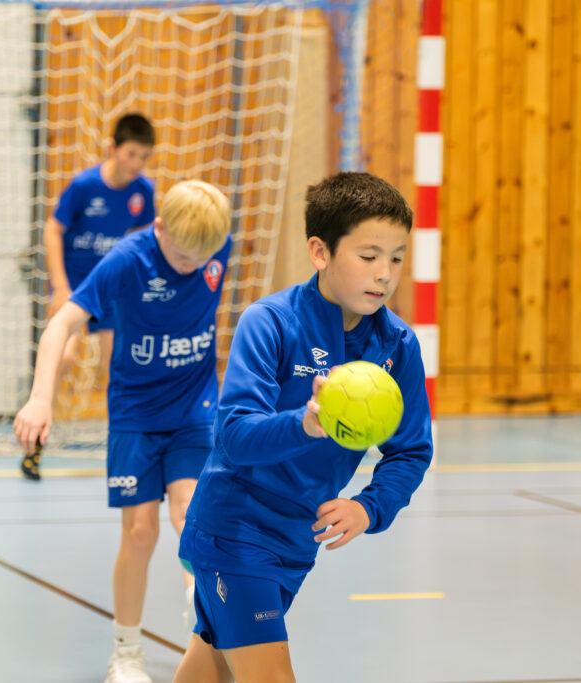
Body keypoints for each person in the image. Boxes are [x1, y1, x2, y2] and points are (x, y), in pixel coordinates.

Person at [172, 172, 433, 683]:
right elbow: (234, 437)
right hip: (235, 532)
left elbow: (411, 451)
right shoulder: (269, 322)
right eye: (368, 256)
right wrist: (307, 424)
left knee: (209, 673)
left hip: (295, 542)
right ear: (320, 252)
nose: (384, 273)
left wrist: (369, 506)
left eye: (397, 258)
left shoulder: (398, 345)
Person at [14, 179, 232, 683]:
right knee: (139, 533)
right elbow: (60, 326)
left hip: (196, 408)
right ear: (158, 228)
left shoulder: (214, 245)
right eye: (180, 255)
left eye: (199, 259)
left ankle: (201, 621)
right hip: (135, 414)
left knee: (191, 516)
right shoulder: (127, 260)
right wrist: (42, 397)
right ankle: (126, 652)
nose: (189, 266)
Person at [22, 113, 157, 480]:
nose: (137, 164)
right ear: (113, 149)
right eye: (131, 154)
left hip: (114, 288)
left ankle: (125, 448)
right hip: (78, 286)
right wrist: (60, 285)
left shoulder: (143, 191)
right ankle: (35, 437)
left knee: (118, 368)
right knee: (63, 354)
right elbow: (53, 230)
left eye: (144, 156)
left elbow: (146, 242)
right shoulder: (84, 186)